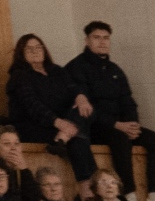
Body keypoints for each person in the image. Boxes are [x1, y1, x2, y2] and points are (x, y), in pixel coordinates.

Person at [63, 21, 155, 201]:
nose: (102, 42)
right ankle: (128, 195)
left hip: (121, 125)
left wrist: (132, 125)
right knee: (120, 138)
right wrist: (116, 124)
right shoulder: (75, 68)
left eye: (106, 38)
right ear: (86, 40)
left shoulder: (115, 70)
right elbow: (85, 109)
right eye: (96, 37)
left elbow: (128, 101)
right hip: (95, 127)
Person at [6, 34, 97, 189]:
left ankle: (63, 138)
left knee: (87, 109)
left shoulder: (57, 71)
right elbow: (33, 106)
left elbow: (74, 89)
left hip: (62, 127)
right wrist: (59, 123)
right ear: (21, 53)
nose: (35, 51)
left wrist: (81, 97)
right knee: (78, 137)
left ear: (44, 50)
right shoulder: (19, 76)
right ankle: (89, 188)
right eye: (29, 49)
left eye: (38, 47)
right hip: (35, 126)